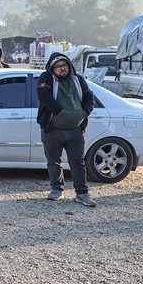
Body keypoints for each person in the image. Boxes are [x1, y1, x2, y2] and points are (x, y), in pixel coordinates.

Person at [36, 52, 98, 207]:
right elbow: (44, 97)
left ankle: (82, 193)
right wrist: (61, 112)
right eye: (57, 66)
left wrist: (84, 113)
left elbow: (89, 97)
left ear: (69, 66)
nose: (62, 69)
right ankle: (57, 189)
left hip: (75, 130)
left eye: (64, 65)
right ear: (52, 68)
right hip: (52, 129)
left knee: (78, 162)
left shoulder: (78, 80)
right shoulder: (46, 78)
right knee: (53, 161)